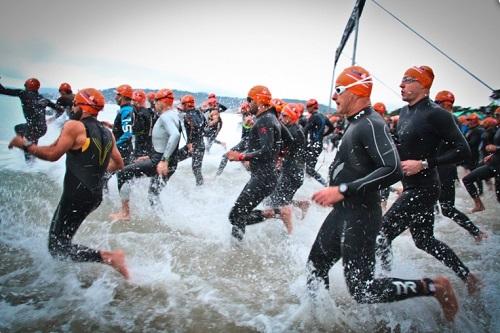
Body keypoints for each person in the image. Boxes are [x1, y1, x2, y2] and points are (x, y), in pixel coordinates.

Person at [307, 66, 458, 322]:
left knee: (363, 289)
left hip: (361, 216)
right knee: (314, 267)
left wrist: (342, 189)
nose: (334, 97)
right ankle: (321, 322)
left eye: (339, 90)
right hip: (342, 213)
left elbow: (392, 170)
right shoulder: (356, 123)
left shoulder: (371, 124)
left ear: (355, 92)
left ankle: (434, 286)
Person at [377, 66, 479, 294]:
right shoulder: (404, 112)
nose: (401, 85)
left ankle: (383, 285)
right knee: (424, 240)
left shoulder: (437, 114)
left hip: (425, 187)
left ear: (423, 85)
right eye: (401, 80)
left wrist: (423, 163)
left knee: (380, 236)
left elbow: (464, 151)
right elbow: (404, 148)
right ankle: (468, 277)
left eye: (408, 80)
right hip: (412, 187)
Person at [8, 88, 128, 278]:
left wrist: (25, 145)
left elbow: (52, 154)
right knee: (60, 242)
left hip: (77, 194)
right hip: (94, 195)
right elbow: (118, 164)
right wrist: (94, 170)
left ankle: (108, 257)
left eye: (74, 105)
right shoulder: (107, 133)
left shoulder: (74, 126)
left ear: (83, 106)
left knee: (56, 247)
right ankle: (90, 266)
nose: (72, 108)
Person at [109, 89, 180, 221]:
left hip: (161, 161)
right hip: (168, 161)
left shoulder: (165, 117)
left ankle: (125, 213)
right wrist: (152, 156)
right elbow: (166, 140)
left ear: (162, 102)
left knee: (122, 174)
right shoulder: (174, 115)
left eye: (156, 102)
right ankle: (162, 219)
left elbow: (175, 135)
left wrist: (163, 160)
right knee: (153, 194)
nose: (154, 104)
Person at [227, 85, 281, 241]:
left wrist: (241, 156)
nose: (248, 103)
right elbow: (287, 141)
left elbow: (267, 150)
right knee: (240, 214)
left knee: (235, 215)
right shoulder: (271, 118)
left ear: (259, 100)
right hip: (264, 176)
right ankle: (236, 247)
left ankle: (275, 213)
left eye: (250, 100)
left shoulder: (265, 121)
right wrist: (278, 157)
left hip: (263, 178)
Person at [433, 91, 486, 241]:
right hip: (439, 167)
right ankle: (432, 229)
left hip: (444, 168)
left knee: (447, 208)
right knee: (432, 203)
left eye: (448, 104)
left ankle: (477, 233)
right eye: (444, 104)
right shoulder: (444, 119)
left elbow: (458, 147)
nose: (446, 107)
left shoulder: (449, 119)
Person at [260, 103, 306, 233]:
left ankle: (290, 233)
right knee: (279, 199)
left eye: (284, 115)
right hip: (294, 173)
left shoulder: (293, 132)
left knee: (274, 203)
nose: (281, 117)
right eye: (281, 114)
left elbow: (278, 150)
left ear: (292, 116)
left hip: (291, 174)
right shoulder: (294, 128)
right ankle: (302, 204)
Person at [1, 77, 62, 161]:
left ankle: (29, 165)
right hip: (42, 128)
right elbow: (60, 109)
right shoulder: (43, 99)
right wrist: (53, 117)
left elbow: (3, 91)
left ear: (27, 86)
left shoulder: (23, 93)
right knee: (19, 128)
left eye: (25, 86)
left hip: (33, 128)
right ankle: (26, 147)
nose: (24, 87)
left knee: (28, 151)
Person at [463, 124, 500, 211]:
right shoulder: (497, 128)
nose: (497, 117)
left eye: (498, 115)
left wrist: (497, 148)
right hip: (493, 164)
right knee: (467, 179)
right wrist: (493, 154)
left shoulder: (480, 130)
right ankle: (479, 205)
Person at [216, 101, 254, 176]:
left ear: (247, 109)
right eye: (241, 108)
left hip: (247, 142)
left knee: (226, 156)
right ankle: (252, 175)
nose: (241, 110)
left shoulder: (249, 117)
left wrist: (250, 123)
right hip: (245, 142)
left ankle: (217, 175)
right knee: (243, 161)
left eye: (243, 108)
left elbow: (250, 125)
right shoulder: (246, 116)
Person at [303, 98, 334, 186]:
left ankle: (325, 184)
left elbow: (305, 130)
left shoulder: (314, 116)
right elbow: (332, 128)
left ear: (314, 107)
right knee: (308, 168)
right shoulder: (323, 116)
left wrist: (302, 142)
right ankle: (308, 187)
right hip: (318, 145)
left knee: (309, 169)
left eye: (308, 106)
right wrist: (323, 135)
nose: (307, 108)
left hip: (312, 145)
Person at [177, 94, 207, 186]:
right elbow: (204, 126)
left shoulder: (188, 115)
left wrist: (189, 143)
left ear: (186, 105)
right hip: (201, 145)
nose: (181, 106)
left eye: (182, 104)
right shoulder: (199, 113)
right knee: (197, 170)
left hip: (193, 146)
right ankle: (200, 188)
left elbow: (194, 127)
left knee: (174, 159)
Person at [131, 89, 157, 158]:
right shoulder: (150, 112)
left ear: (137, 102)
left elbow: (138, 131)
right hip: (149, 145)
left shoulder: (141, 114)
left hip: (141, 148)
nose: (132, 104)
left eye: (133, 102)